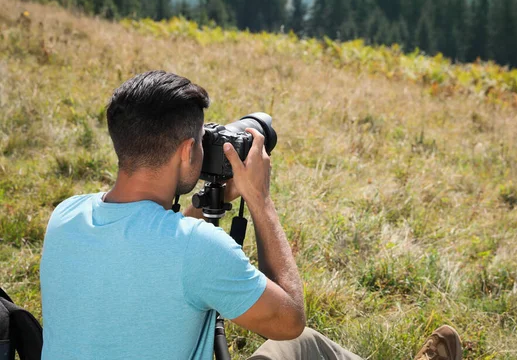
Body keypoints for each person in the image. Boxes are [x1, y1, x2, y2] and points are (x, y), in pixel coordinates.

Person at [40, 70, 463, 360]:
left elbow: (147, 235)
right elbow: (289, 320)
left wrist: (209, 198)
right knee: (300, 346)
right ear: (189, 151)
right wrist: (259, 200)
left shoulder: (65, 216)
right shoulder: (198, 250)